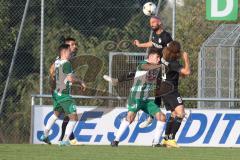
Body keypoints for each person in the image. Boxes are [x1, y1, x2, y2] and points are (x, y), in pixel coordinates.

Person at [104, 16, 173, 128]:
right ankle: (116, 80)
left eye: (154, 22)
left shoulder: (166, 36)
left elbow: (172, 49)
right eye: (150, 22)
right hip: (152, 61)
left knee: (158, 92)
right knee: (137, 72)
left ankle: (151, 117)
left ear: (159, 22)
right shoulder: (155, 34)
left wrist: (165, 62)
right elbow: (152, 43)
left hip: (160, 64)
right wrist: (140, 45)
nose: (152, 24)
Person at [111, 48, 166, 147]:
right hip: (135, 96)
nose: (159, 59)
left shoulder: (157, 67)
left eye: (160, 58)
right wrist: (161, 65)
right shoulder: (142, 64)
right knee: (130, 117)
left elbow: (159, 80)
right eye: (157, 57)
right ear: (150, 57)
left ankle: (156, 143)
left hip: (146, 99)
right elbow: (146, 67)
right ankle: (115, 141)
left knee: (162, 117)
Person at [41, 44, 86, 146]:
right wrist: (80, 81)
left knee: (55, 115)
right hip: (64, 95)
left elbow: (54, 74)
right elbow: (70, 79)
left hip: (57, 93)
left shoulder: (57, 62)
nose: (71, 54)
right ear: (65, 52)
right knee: (74, 118)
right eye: (70, 52)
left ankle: (45, 135)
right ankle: (65, 140)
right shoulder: (66, 63)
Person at [159, 41, 190, 148]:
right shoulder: (173, 63)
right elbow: (187, 72)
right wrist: (186, 58)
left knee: (174, 114)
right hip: (171, 90)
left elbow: (177, 73)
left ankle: (166, 138)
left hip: (163, 89)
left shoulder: (164, 59)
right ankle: (172, 139)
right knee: (181, 113)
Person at [49, 37, 79, 144]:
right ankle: (65, 139)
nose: (75, 46)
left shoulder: (70, 58)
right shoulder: (61, 58)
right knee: (70, 115)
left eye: (75, 44)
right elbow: (52, 71)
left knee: (67, 116)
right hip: (61, 92)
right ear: (67, 46)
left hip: (63, 91)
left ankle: (67, 139)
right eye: (72, 44)